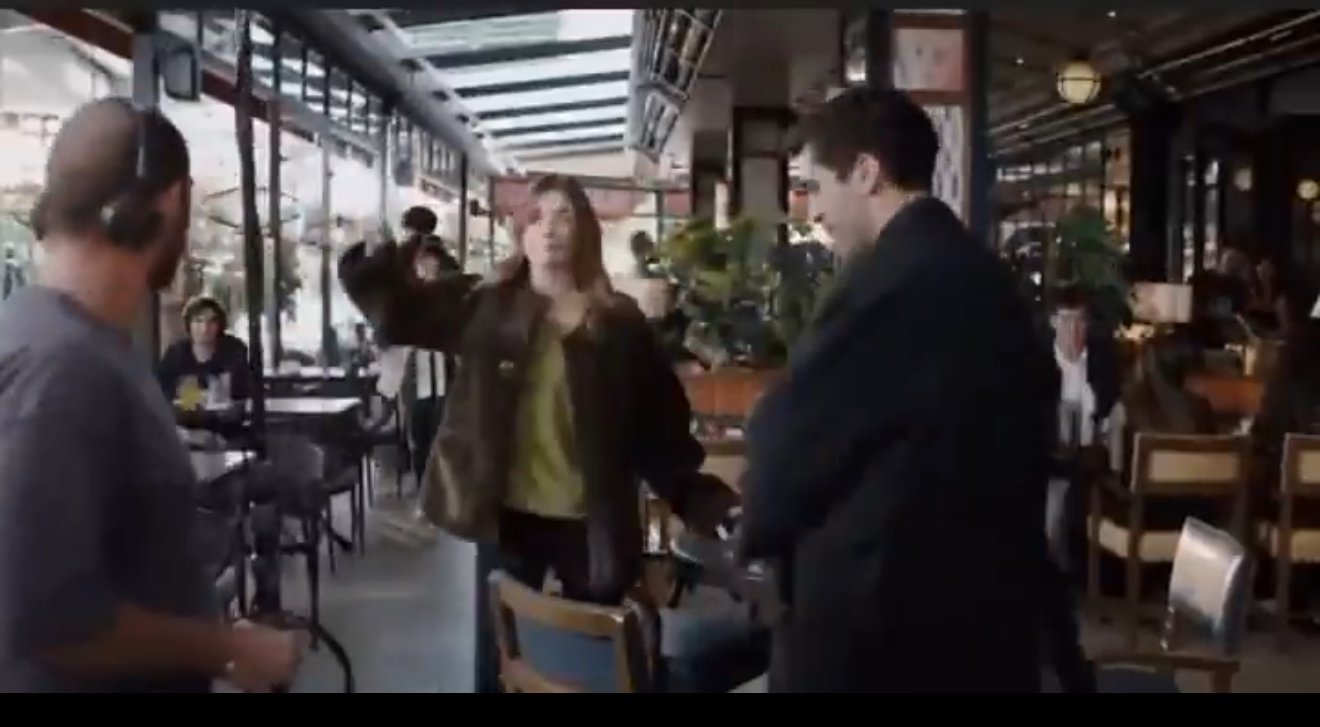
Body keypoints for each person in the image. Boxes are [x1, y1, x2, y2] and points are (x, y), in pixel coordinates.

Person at [339, 174, 744, 692]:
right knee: (499, 662)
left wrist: (709, 504)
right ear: (521, 234)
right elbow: (398, 316)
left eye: (563, 216)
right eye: (537, 218)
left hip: (592, 524)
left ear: (584, 232)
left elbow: (660, 435)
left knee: (598, 667)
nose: (549, 229)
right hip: (510, 520)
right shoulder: (484, 304)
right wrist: (379, 261)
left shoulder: (619, 325)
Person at [737, 87, 1060, 693]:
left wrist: (751, 529)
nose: (812, 210)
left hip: (883, 618)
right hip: (986, 614)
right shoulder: (987, 278)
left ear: (865, 172)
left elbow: (793, 441)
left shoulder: (889, 283)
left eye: (814, 186)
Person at [0, 98, 300, 692]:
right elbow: (53, 621)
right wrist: (231, 648)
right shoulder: (65, 368)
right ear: (168, 203)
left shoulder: (69, 340)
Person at [157, 295, 251, 404]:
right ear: (189, 324)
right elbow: (162, 389)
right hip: (186, 412)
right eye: (198, 321)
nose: (205, 328)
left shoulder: (233, 350)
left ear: (220, 325)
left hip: (227, 412)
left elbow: (241, 391)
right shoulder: (176, 353)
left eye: (211, 321)